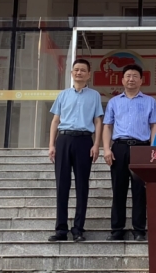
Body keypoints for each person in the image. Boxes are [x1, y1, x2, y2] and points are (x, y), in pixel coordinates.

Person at [47, 58, 103, 242]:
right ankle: (61, 229)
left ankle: (78, 229)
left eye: (82, 70)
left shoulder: (94, 95)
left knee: (82, 186)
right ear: (71, 73)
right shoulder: (63, 95)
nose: (79, 73)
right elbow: (55, 120)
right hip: (64, 139)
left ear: (88, 74)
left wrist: (96, 144)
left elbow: (98, 121)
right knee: (62, 185)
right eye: (76, 69)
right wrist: (52, 145)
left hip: (84, 141)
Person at [102, 64, 156, 241]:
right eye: (128, 76)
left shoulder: (150, 101)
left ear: (141, 80)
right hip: (119, 147)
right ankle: (117, 229)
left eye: (135, 76)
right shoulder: (114, 102)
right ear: (122, 80)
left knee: (140, 191)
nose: (131, 79)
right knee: (118, 189)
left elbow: (154, 126)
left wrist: (153, 149)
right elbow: (107, 126)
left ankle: (139, 229)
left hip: (142, 147)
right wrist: (106, 148)